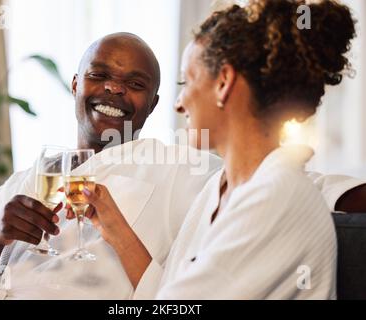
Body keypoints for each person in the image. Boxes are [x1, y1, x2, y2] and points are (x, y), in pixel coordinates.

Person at [0, 27, 364, 299]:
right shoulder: (28, 175)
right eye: (99, 75)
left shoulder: (180, 167)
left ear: (153, 104)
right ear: (76, 84)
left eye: (135, 84)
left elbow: (291, 183)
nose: (113, 88)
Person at [79, 0, 360, 299]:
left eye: (188, 81)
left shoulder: (278, 197)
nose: (179, 102)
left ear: (223, 82)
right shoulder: (218, 189)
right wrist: (116, 230)